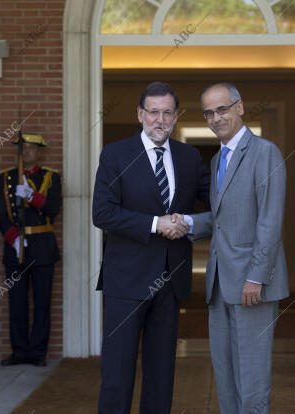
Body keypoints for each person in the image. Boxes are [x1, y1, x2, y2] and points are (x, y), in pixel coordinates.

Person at [165, 82, 289, 414]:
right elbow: (225, 219)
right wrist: (188, 223)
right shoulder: (219, 157)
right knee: (225, 374)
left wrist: (257, 277)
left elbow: (269, 221)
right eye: (208, 112)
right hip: (219, 284)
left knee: (251, 378)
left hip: (251, 285)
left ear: (239, 107)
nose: (215, 117)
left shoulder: (265, 153)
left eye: (222, 109)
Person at [92, 81, 210, 414]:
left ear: (176, 116)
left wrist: (186, 221)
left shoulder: (189, 157)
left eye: (167, 112)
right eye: (153, 112)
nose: (160, 120)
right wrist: (158, 223)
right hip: (125, 283)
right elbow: (102, 212)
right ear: (140, 114)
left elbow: (217, 202)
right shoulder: (116, 154)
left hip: (170, 282)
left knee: (161, 376)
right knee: (117, 374)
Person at [0, 133, 62, 367]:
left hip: (42, 245)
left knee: (42, 302)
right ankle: (20, 351)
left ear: (40, 152)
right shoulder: (5, 178)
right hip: (16, 247)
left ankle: (38, 352)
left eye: (32, 149)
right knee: (17, 302)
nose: (27, 152)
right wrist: (13, 238)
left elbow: (54, 208)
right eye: (23, 148)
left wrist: (32, 196)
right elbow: (0, 213)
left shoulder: (50, 177)